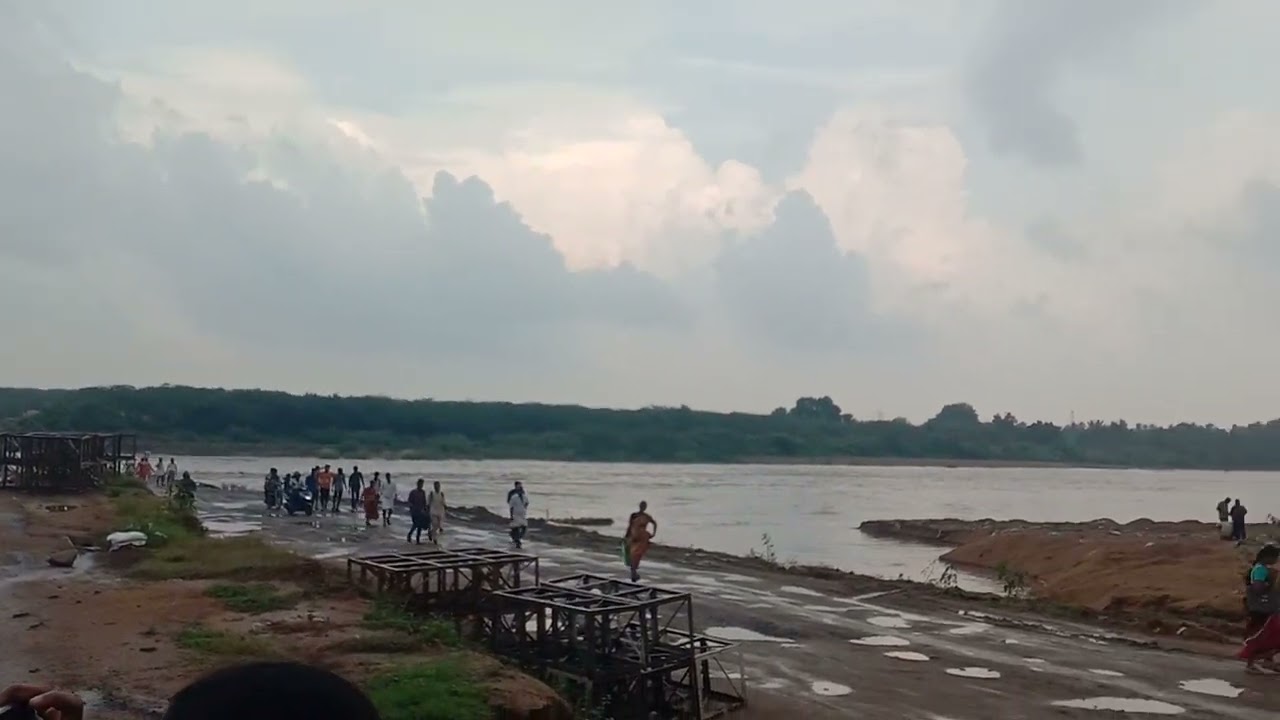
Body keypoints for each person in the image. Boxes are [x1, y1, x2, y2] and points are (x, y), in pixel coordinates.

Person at [1241, 544, 1280, 673]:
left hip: (1266, 608)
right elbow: (1257, 588)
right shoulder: (1260, 570)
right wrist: (1270, 582)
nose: (1276, 560)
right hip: (1261, 609)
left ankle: (1268, 661)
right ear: (1267, 557)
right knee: (1261, 636)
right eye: (1275, 557)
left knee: (1268, 635)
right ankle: (1252, 663)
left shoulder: (1263, 569)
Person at [624, 501, 657, 582]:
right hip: (635, 536)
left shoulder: (645, 516)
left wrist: (653, 533)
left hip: (641, 537)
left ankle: (633, 572)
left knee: (636, 555)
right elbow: (630, 526)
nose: (642, 507)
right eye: (642, 506)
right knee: (633, 554)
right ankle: (633, 572)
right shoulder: (635, 515)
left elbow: (654, 523)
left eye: (643, 506)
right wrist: (626, 535)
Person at [507, 481, 529, 548]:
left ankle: (517, 538)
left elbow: (527, 503)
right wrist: (511, 515)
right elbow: (510, 504)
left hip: (522, 513)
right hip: (515, 512)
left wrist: (524, 508)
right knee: (515, 527)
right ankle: (517, 540)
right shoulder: (513, 494)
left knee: (524, 526)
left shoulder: (524, 496)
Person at [407, 479, 429, 545]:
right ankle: (410, 535)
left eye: (422, 484)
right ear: (417, 484)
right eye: (420, 484)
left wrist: (426, 510)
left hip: (420, 511)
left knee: (419, 526)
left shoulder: (423, 492)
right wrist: (411, 507)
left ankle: (417, 539)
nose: (421, 485)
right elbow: (409, 501)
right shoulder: (413, 492)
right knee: (415, 524)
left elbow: (424, 502)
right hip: (414, 511)